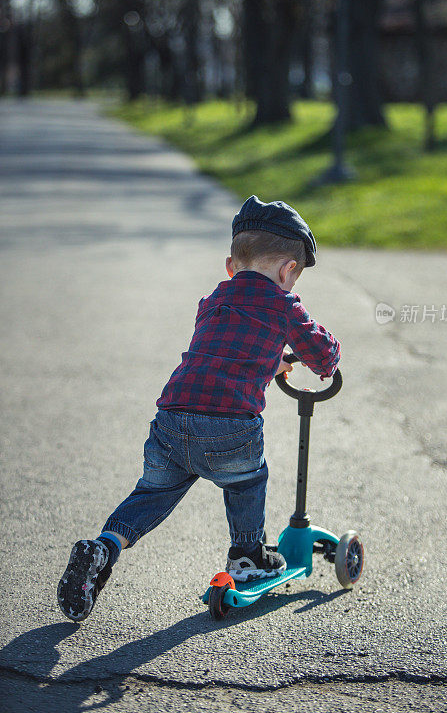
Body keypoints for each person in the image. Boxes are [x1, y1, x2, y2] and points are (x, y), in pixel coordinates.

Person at [57, 195, 341, 622]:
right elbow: (319, 352)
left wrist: (272, 361)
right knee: (247, 479)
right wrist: (327, 362)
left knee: (152, 493)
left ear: (231, 266)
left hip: (172, 418)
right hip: (229, 428)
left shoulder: (212, 302)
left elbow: (228, 352)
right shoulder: (283, 305)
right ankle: (246, 555)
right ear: (288, 271)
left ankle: (104, 548)